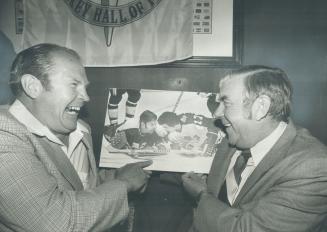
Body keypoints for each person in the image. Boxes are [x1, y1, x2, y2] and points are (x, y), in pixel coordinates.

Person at [0, 43, 152, 232]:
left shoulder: (80, 131)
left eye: (85, 87)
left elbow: (81, 189)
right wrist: (125, 184)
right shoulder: (4, 135)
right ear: (33, 86)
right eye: (74, 84)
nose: (86, 97)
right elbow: (56, 222)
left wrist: (117, 176)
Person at [181, 65, 327, 232]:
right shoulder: (235, 136)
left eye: (226, 103)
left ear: (260, 107)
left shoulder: (313, 168)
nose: (216, 114)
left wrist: (201, 195)